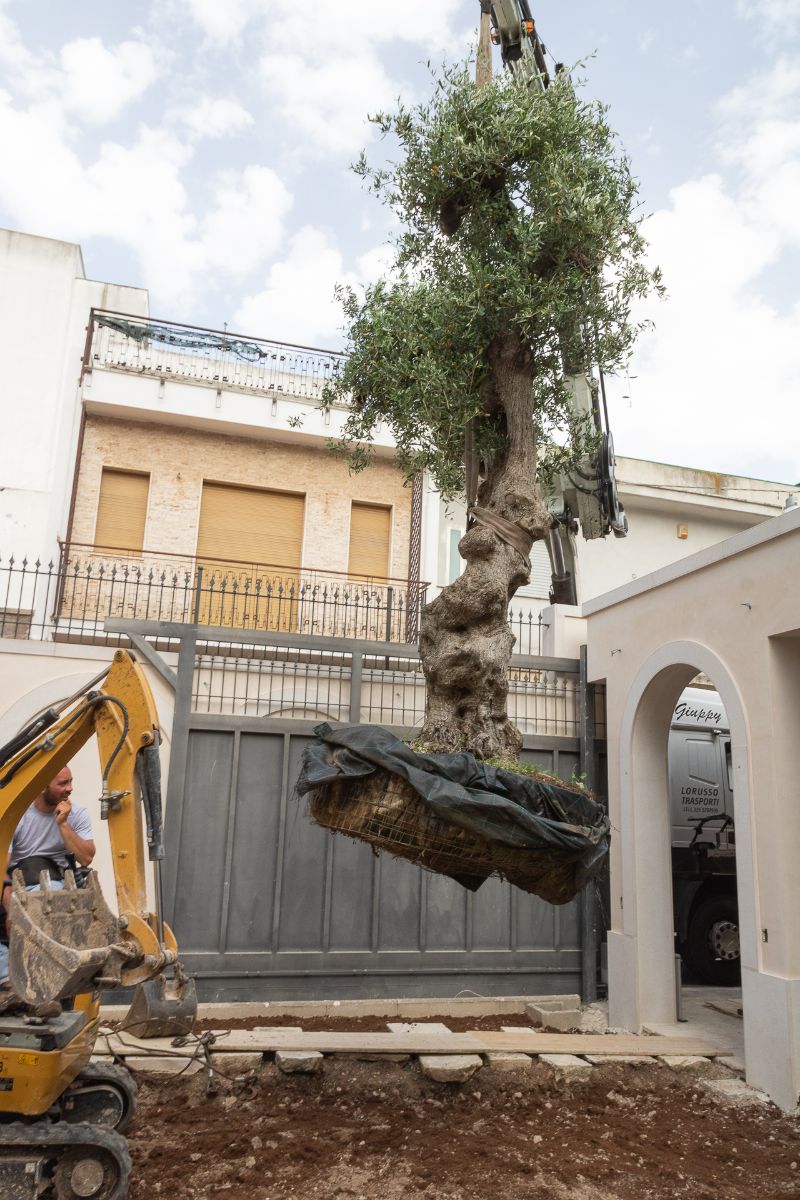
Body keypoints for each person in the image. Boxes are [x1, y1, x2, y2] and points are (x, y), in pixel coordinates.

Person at [0, 766, 95, 986]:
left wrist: (62, 824)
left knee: (54, 892)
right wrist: (11, 906)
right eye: (62, 784)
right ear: (42, 784)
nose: (69, 789)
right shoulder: (17, 814)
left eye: (71, 782)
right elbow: (3, 867)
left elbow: (86, 857)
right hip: (18, 883)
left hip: (57, 883)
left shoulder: (77, 814)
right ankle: (12, 983)